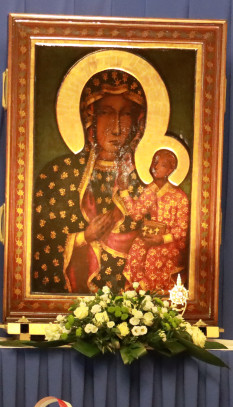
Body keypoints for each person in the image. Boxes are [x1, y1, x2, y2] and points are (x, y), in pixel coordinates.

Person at [31, 69, 146, 294]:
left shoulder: (146, 179)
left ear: (138, 120)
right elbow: (41, 246)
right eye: (106, 112)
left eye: (125, 114)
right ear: (89, 116)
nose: (117, 127)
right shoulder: (59, 174)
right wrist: (84, 237)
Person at [120, 147, 191, 292]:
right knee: (137, 248)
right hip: (151, 237)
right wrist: (124, 191)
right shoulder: (150, 191)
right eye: (154, 162)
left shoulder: (179, 196)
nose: (155, 167)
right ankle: (136, 294)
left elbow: (181, 231)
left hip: (170, 243)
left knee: (154, 255)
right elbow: (136, 214)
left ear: (170, 170)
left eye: (162, 165)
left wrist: (161, 239)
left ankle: (153, 297)